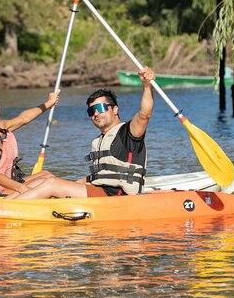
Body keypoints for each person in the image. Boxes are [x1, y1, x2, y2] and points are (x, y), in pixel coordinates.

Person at [12, 67, 156, 199]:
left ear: (115, 109)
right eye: (91, 111)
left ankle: (6, 209)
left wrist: (147, 85)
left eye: (100, 107)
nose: (96, 113)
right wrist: (67, 186)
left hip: (118, 195)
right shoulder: (99, 140)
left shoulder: (128, 133)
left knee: (51, 184)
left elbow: (144, 115)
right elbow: (97, 177)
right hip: (99, 190)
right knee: (46, 180)